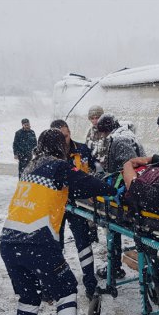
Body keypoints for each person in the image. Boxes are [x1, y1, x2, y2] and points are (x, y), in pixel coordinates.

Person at [0, 129, 116, 315]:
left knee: (29, 297)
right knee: (67, 291)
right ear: (58, 147)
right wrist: (110, 189)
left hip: (9, 242)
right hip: (38, 242)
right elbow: (84, 182)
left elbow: (59, 192)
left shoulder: (30, 167)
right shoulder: (58, 167)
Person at [51, 119, 100, 300]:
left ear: (69, 132)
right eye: (59, 137)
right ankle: (57, 283)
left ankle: (90, 283)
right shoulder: (49, 155)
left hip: (78, 205)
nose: (64, 140)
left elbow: (94, 171)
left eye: (66, 135)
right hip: (56, 206)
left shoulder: (82, 150)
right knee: (56, 245)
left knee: (83, 243)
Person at [94, 113, 145, 280]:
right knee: (137, 232)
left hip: (128, 194)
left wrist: (112, 185)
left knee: (114, 228)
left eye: (101, 132)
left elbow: (129, 166)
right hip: (134, 191)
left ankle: (115, 266)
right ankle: (148, 267)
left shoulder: (120, 140)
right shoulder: (126, 135)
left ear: (105, 130)